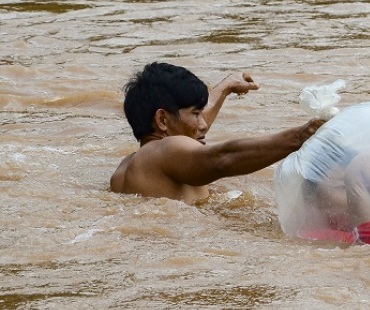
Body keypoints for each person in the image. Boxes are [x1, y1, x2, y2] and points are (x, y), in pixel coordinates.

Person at [110, 62, 324, 204]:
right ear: (163, 120)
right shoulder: (164, 150)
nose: (203, 125)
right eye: (196, 113)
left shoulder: (131, 165)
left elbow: (190, 132)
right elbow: (223, 158)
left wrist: (227, 86)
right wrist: (303, 134)